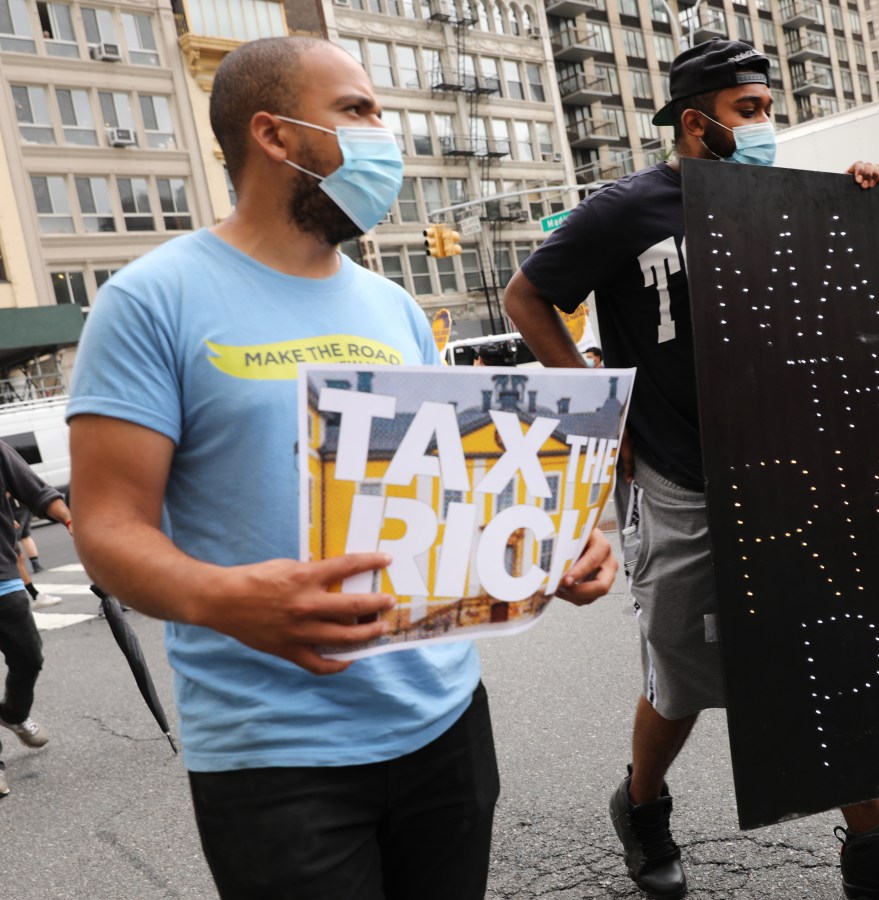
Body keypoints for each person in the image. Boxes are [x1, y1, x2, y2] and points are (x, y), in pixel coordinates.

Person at [67, 36, 615, 900]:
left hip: (446, 724)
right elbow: (105, 528)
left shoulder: (393, 306)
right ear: (274, 135)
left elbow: (446, 490)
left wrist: (551, 545)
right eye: (357, 111)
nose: (383, 135)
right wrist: (224, 600)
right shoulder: (149, 300)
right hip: (274, 759)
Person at [505, 38, 879, 900]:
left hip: (786, 472)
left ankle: (873, 848)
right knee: (685, 673)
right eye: (750, 110)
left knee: (826, 648)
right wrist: (596, 404)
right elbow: (525, 296)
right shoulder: (626, 209)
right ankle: (642, 804)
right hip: (682, 476)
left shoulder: (781, 200)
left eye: (770, 107)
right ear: (698, 124)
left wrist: (863, 203)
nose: (768, 124)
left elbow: (846, 300)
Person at [0, 441, 70, 797]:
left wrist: (69, 519)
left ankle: (13, 713)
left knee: (29, 658)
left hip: (4, 579)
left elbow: (38, 492)